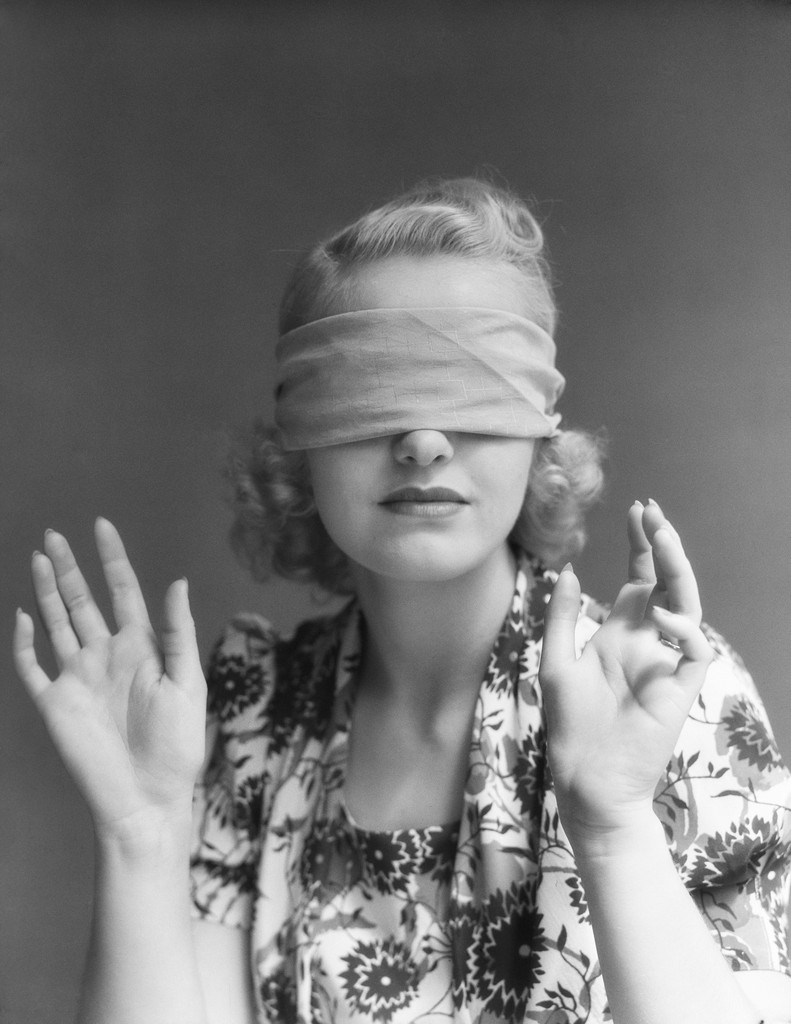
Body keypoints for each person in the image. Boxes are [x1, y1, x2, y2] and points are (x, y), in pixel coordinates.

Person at [14, 177, 791, 1024]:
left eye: (470, 388)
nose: (422, 443)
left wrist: (612, 827)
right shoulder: (252, 722)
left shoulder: (664, 693)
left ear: (540, 427)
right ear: (299, 437)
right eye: (374, 387)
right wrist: (142, 833)